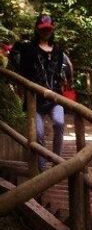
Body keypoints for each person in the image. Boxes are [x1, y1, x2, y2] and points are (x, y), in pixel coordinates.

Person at [9, 14, 73, 171]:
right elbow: (19, 64)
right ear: (37, 30)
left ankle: (56, 159)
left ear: (52, 30)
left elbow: (61, 70)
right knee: (38, 134)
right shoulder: (28, 49)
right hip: (34, 98)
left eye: (48, 29)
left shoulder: (58, 50)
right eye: (43, 29)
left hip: (55, 96)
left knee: (59, 122)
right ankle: (43, 168)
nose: (46, 32)